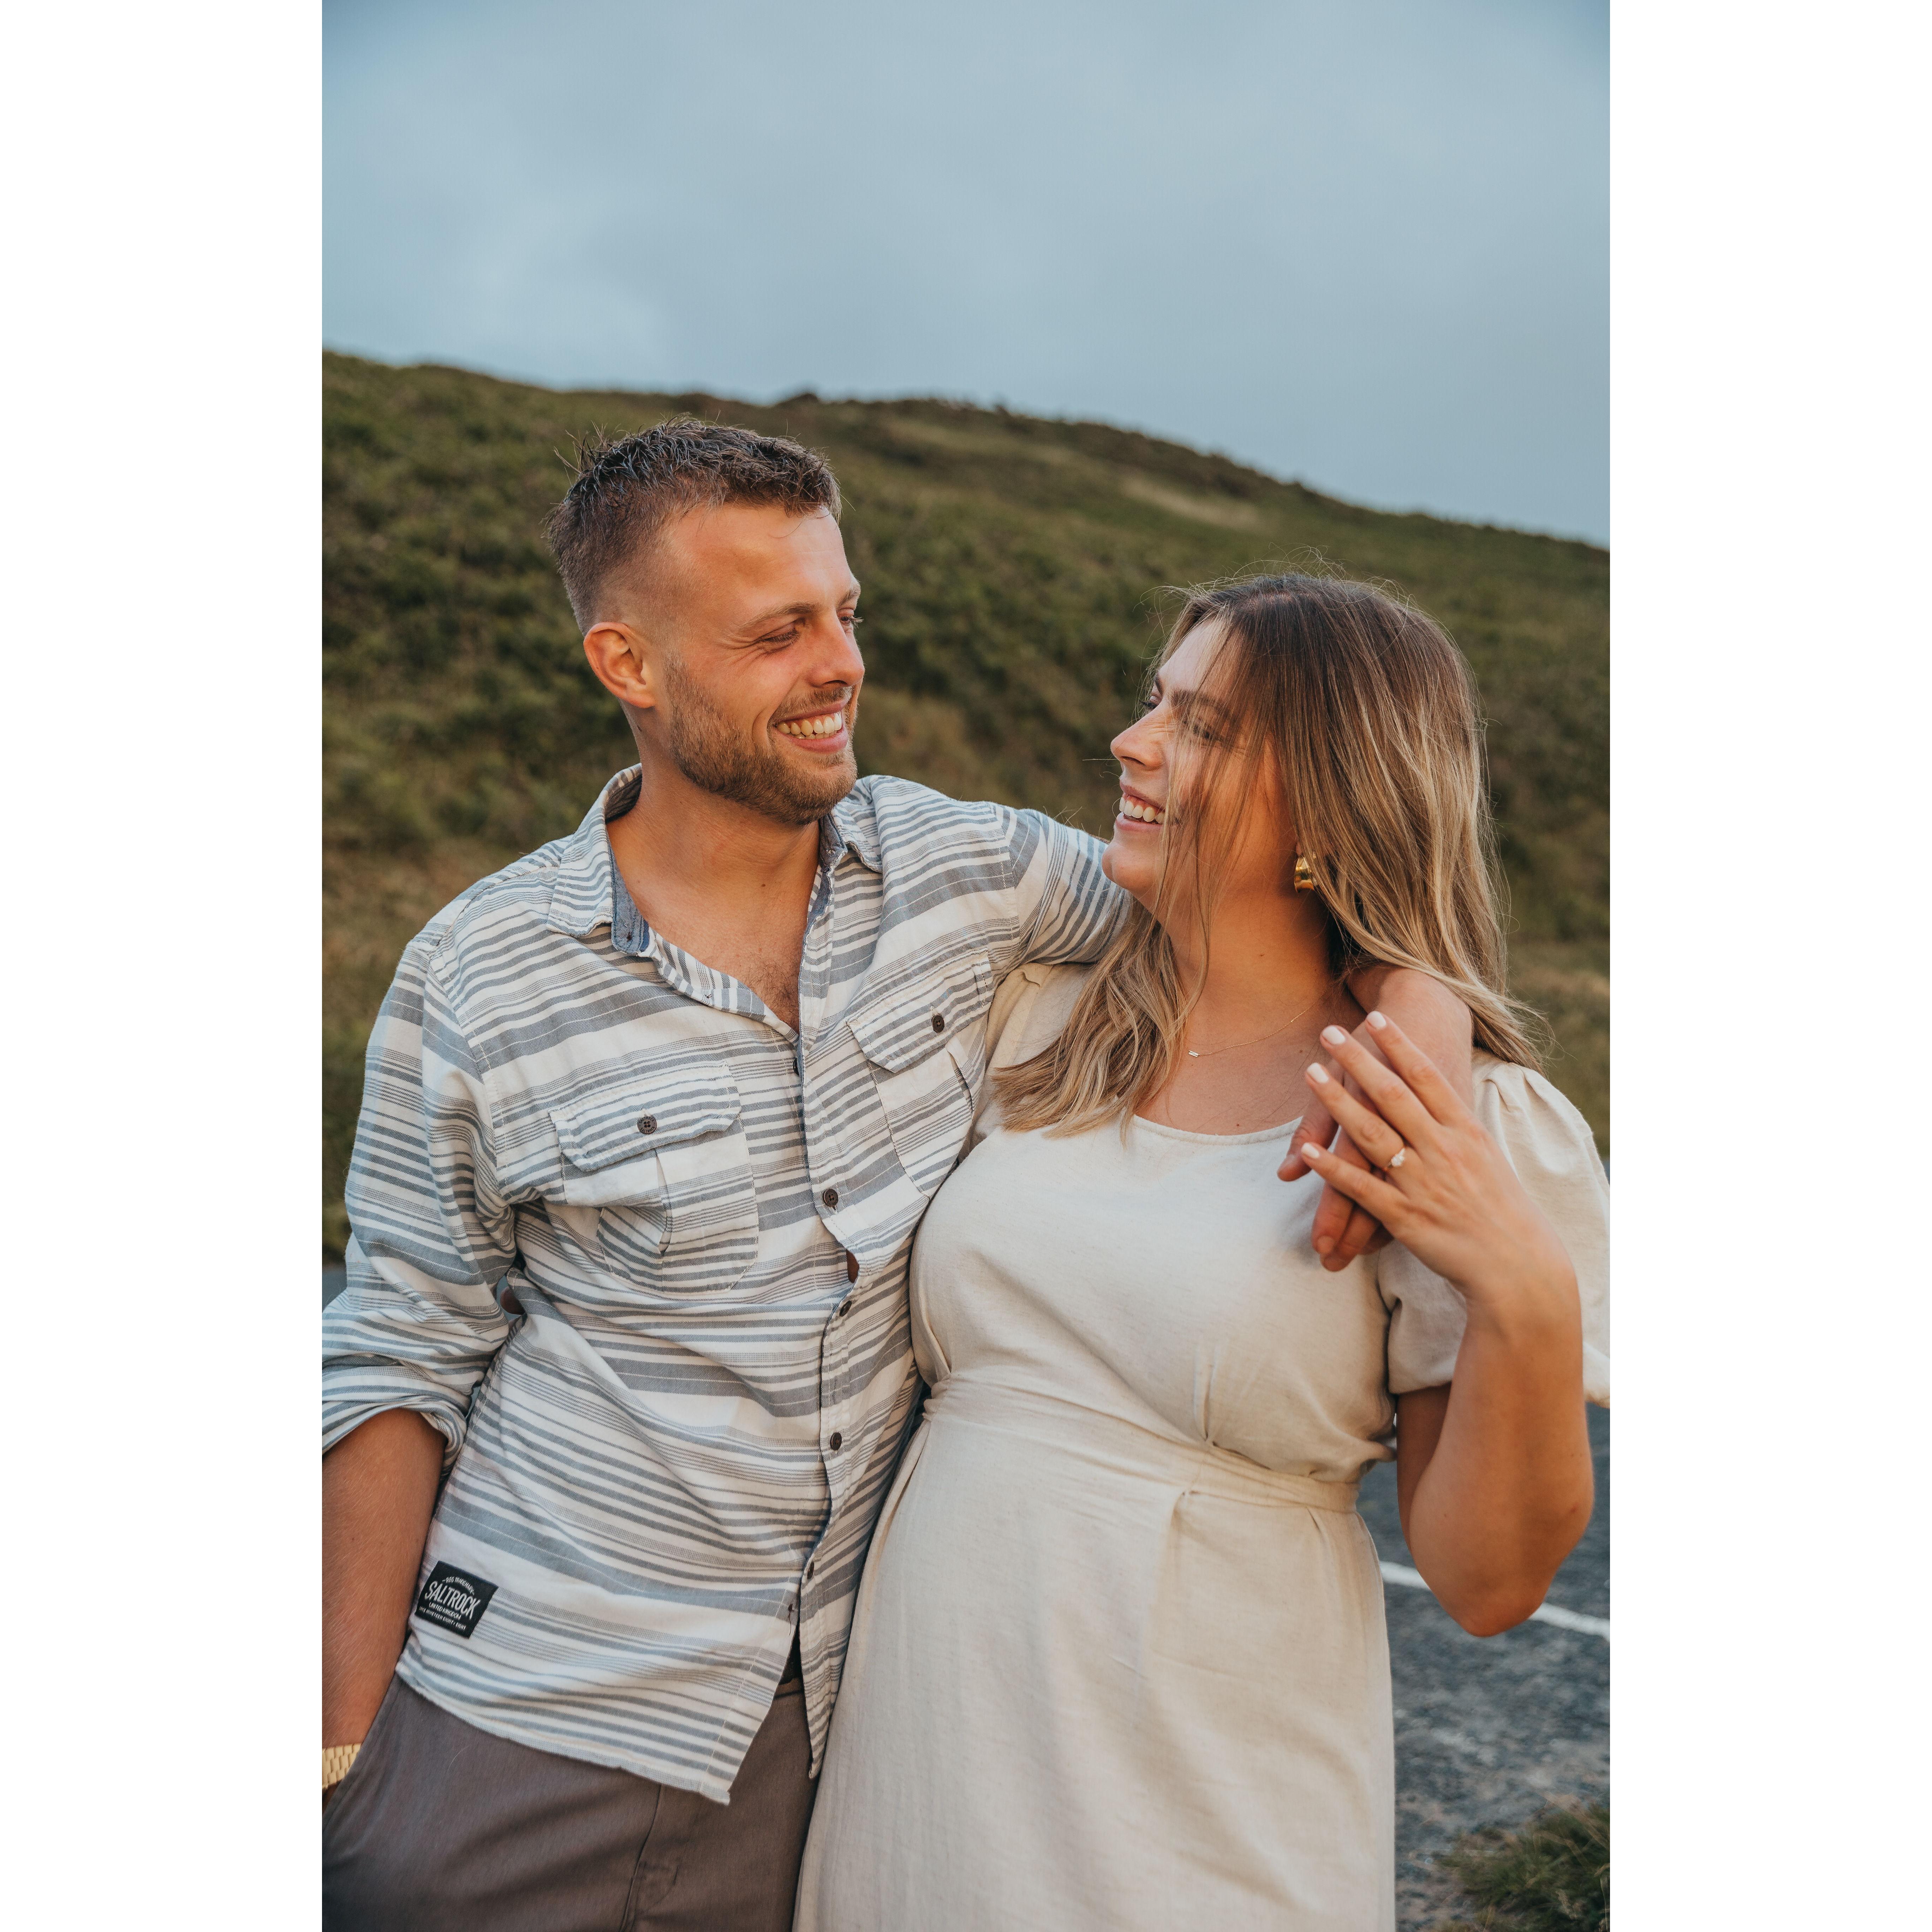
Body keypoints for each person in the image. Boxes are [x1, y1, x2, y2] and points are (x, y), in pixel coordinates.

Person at [320, 427, 1474, 1930]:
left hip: (835, 1751)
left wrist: (1423, 1020)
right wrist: (340, 1756)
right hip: (525, 1728)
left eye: (844, 612)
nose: (838, 664)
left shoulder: (976, 877)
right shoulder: (477, 974)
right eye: (776, 631)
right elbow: (399, 1357)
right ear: (631, 663)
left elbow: (1261, 892)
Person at [794, 572, 1610, 1932]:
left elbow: (1485, 1580)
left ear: (1339, 800)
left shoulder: (1447, 1118)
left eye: (1207, 726)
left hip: (1198, 1800)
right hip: (923, 1764)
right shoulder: (1036, 1016)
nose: (1134, 741)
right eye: (1153, 701)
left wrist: (1523, 1286)